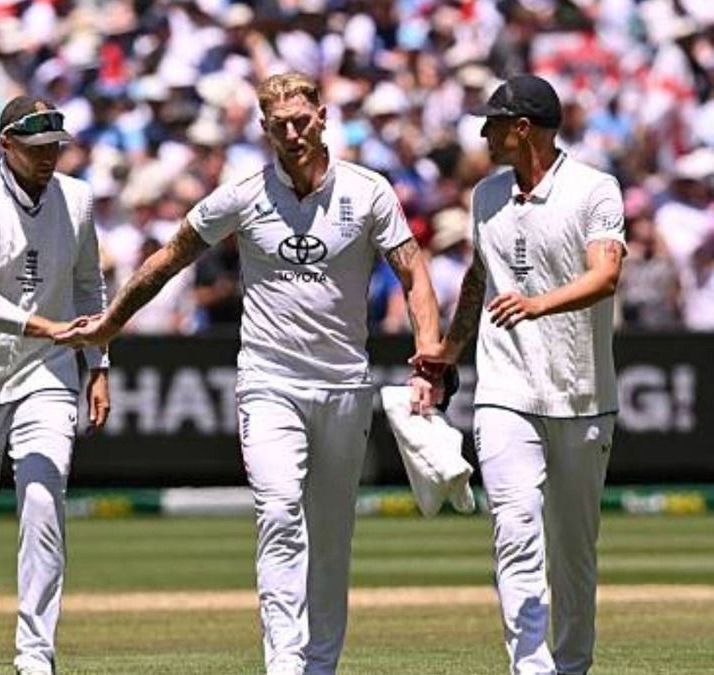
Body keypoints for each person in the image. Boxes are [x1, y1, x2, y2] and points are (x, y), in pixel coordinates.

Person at [56, 72, 441, 675]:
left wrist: (428, 358)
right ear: (264, 129)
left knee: (331, 535)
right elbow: (167, 259)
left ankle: (320, 664)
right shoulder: (241, 194)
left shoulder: (369, 192)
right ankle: (284, 664)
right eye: (279, 124)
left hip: (343, 383)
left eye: (302, 120)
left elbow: (415, 274)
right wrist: (110, 323)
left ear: (323, 115)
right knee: (280, 510)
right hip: (268, 380)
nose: (293, 133)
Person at [415, 74, 625, 675]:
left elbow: (605, 276)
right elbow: (480, 280)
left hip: (583, 395)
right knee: (514, 528)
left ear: (522, 128)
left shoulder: (594, 189)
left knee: (574, 552)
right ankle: (530, 668)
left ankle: (572, 666)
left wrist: (539, 303)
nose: (483, 133)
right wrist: (447, 352)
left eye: (493, 123)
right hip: (505, 391)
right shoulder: (485, 196)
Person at [0, 95, 108, 675]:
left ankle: (36, 654)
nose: (48, 159)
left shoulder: (78, 199)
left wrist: (98, 364)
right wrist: (44, 325)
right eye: (35, 149)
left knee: (42, 500)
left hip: (46, 373)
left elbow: (90, 288)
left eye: (55, 148)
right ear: (5, 145)